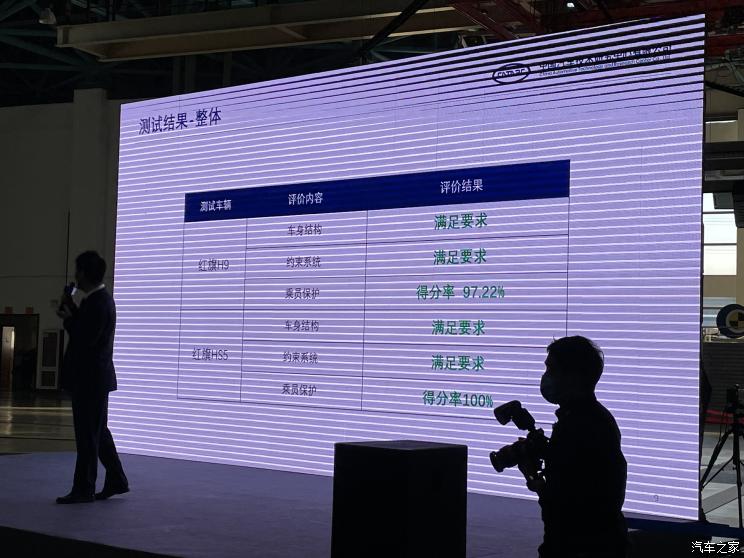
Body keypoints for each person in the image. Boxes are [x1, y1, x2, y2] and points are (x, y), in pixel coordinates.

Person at [537, 336, 627, 558]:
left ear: (573, 377)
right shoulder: (587, 419)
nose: (546, 377)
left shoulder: (582, 426)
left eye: (551, 370)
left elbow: (568, 502)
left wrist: (537, 481)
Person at [55, 251, 129, 504]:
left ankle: (84, 488)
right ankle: (117, 479)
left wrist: (68, 321)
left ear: (85, 273)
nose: (75, 276)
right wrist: (73, 311)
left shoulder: (98, 303)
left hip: (90, 379)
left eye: (78, 270)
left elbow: (86, 339)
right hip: (95, 378)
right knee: (98, 432)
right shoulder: (98, 301)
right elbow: (87, 329)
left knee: (87, 436)